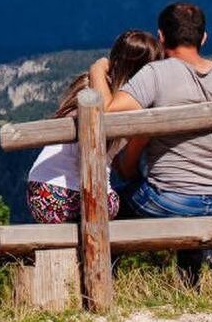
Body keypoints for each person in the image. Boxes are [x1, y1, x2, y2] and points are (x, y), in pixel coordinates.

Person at [93, 1, 212, 281]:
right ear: (203, 38)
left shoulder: (155, 74)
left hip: (168, 201)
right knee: (183, 201)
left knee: (111, 206)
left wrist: (97, 69)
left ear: (161, 36)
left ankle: (103, 284)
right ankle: (192, 282)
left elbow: (106, 111)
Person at [26, 30, 163, 224]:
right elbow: (126, 169)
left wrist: (97, 69)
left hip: (40, 195)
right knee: (133, 204)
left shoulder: (86, 86)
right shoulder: (131, 106)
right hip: (84, 199)